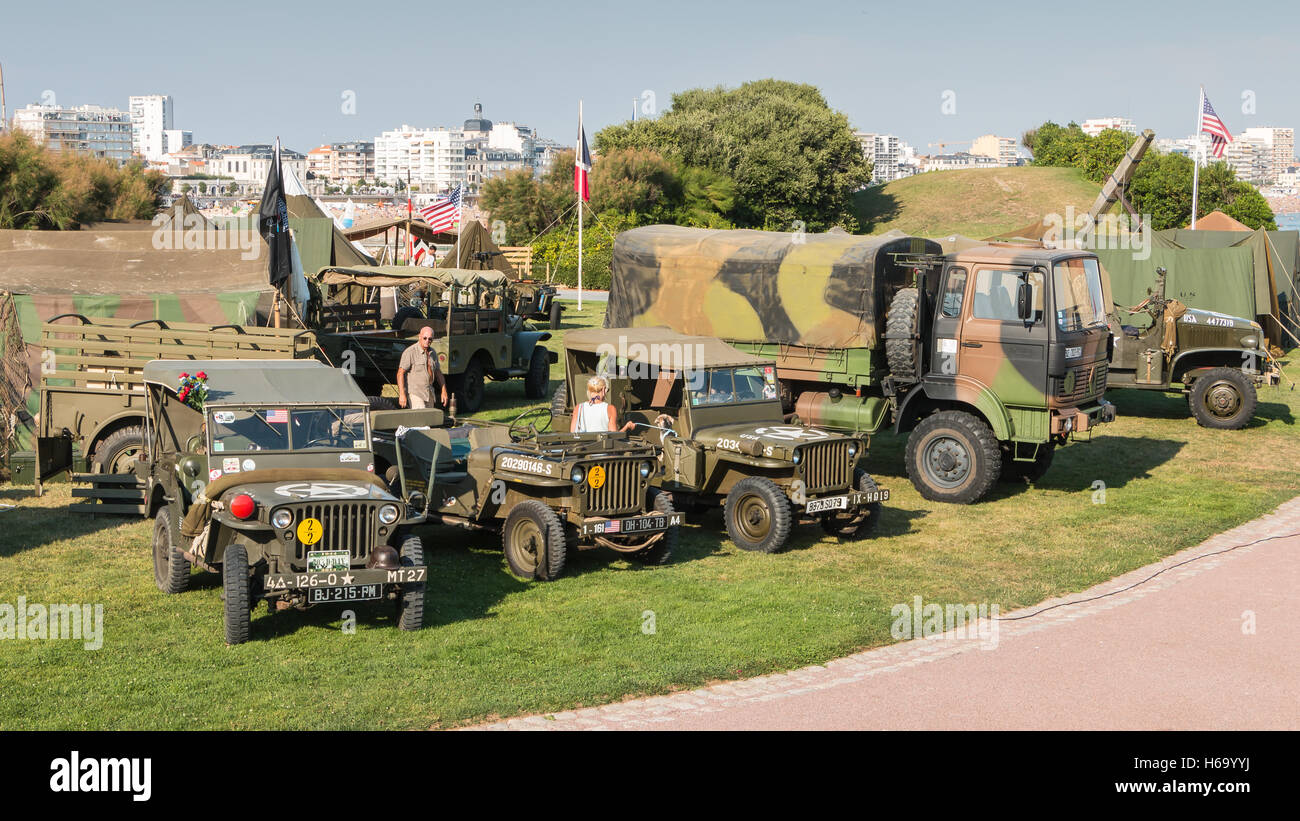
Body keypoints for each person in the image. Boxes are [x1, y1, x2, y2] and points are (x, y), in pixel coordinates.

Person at [397, 327, 448, 409]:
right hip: (415, 393)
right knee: (421, 418)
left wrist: (444, 390)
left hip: (429, 393)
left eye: (430, 339)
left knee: (429, 420)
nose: (427, 340)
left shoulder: (433, 353)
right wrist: (402, 394)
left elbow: (438, 373)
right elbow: (400, 373)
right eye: (425, 338)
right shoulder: (410, 352)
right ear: (419, 337)